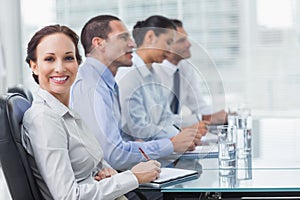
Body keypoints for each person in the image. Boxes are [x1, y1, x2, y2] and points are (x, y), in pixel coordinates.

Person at [22, 24, 161, 200]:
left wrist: (105, 171)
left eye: (68, 58)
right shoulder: (44, 118)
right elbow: (69, 197)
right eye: (49, 59)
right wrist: (133, 177)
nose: (60, 68)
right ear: (34, 66)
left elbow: (87, 166)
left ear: (78, 64)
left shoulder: (66, 112)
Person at [70, 15, 198, 172]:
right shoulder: (92, 87)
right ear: (99, 43)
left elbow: (123, 142)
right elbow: (114, 155)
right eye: (123, 37)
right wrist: (170, 145)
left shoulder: (105, 83)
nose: (132, 43)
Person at [116, 15, 209, 142]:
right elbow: (139, 129)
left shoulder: (153, 74)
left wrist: (183, 133)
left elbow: (166, 118)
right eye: (168, 42)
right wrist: (178, 136)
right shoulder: (129, 74)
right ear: (150, 37)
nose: (171, 49)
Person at [152, 19, 227, 126]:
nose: (189, 44)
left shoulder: (185, 67)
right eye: (181, 41)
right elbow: (159, 120)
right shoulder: (153, 72)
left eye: (186, 39)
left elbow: (198, 106)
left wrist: (221, 116)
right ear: (166, 45)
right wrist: (205, 118)